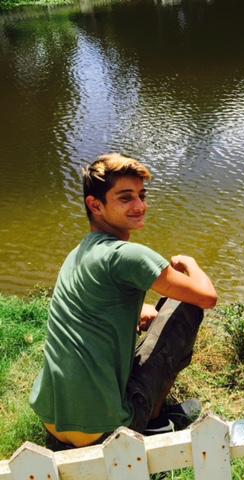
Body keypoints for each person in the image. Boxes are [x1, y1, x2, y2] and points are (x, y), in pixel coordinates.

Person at [29, 153, 218, 448]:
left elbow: (98, 305)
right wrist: (189, 262)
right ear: (95, 205)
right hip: (102, 431)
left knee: (162, 304)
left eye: (142, 196)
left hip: (53, 418)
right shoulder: (128, 255)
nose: (140, 206)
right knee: (186, 305)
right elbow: (207, 297)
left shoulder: (80, 252)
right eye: (126, 198)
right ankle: (150, 415)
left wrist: (137, 310)